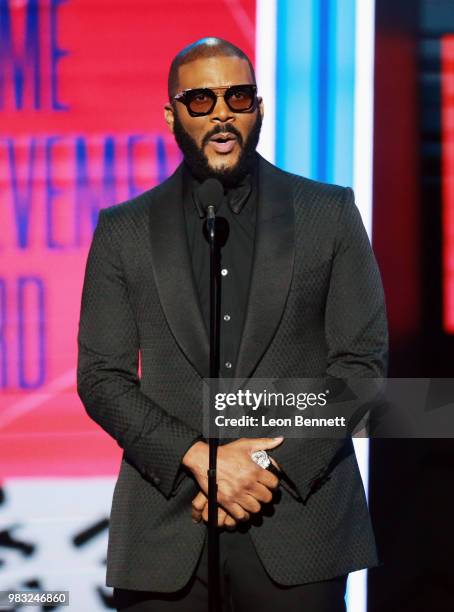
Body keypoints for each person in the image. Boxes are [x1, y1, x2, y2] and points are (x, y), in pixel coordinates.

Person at [77, 37, 388, 611]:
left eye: (237, 96)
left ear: (259, 108)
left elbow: (362, 367)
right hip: (165, 526)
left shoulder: (329, 213)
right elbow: (102, 377)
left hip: (300, 522)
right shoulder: (123, 230)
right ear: (172, 114)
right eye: (200, 100)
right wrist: (201, 458)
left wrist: (265, 465)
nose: (221, 112)